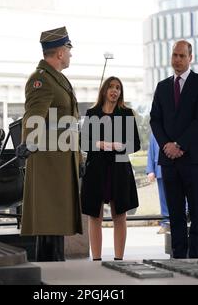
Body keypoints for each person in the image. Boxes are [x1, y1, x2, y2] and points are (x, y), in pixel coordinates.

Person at [16, 26, 83, 262]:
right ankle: (49, 268)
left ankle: (54, 263)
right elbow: (33, 116)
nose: (71, 54)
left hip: (63, 158)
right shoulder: (40, 80)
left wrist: (80, 157)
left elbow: (70, 123)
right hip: (50, 161)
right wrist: (28, 142)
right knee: (50, 218)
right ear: (60, 52)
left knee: (57, 218)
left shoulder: (58, 78)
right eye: (68, 49)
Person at [150, 40, 198, 259]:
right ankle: (177, 259)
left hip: (194, 159)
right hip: (169, 161)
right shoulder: (162, 86)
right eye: (174, 55)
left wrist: (179, 145)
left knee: (197, 214)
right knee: (175, 215)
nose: (177, 60)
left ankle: (197, 260)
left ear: (190, 58)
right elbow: (155, 120)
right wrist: (167, 146)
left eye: (181, 56)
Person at [81, 76, 140, 261]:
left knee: (119, 214)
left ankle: (118, 259)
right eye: (111, 87)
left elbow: (135, 144)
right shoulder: (92, 113)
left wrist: (118, 145)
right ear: (104, 90)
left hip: (119, 170)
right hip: (96, 170)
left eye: (118, 88)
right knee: (94, 215)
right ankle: (96, 259)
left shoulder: (126, 113)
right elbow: (83, 142)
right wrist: (99, 144)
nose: (115, 90)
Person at [146, 132, 170, 234]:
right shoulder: (154, 133)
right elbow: (151, 151)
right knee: (163, 198)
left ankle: (185, 220)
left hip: (176, 167)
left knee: (182, 197)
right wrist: (150, 170)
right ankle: (166, 224)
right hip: (159, 169)